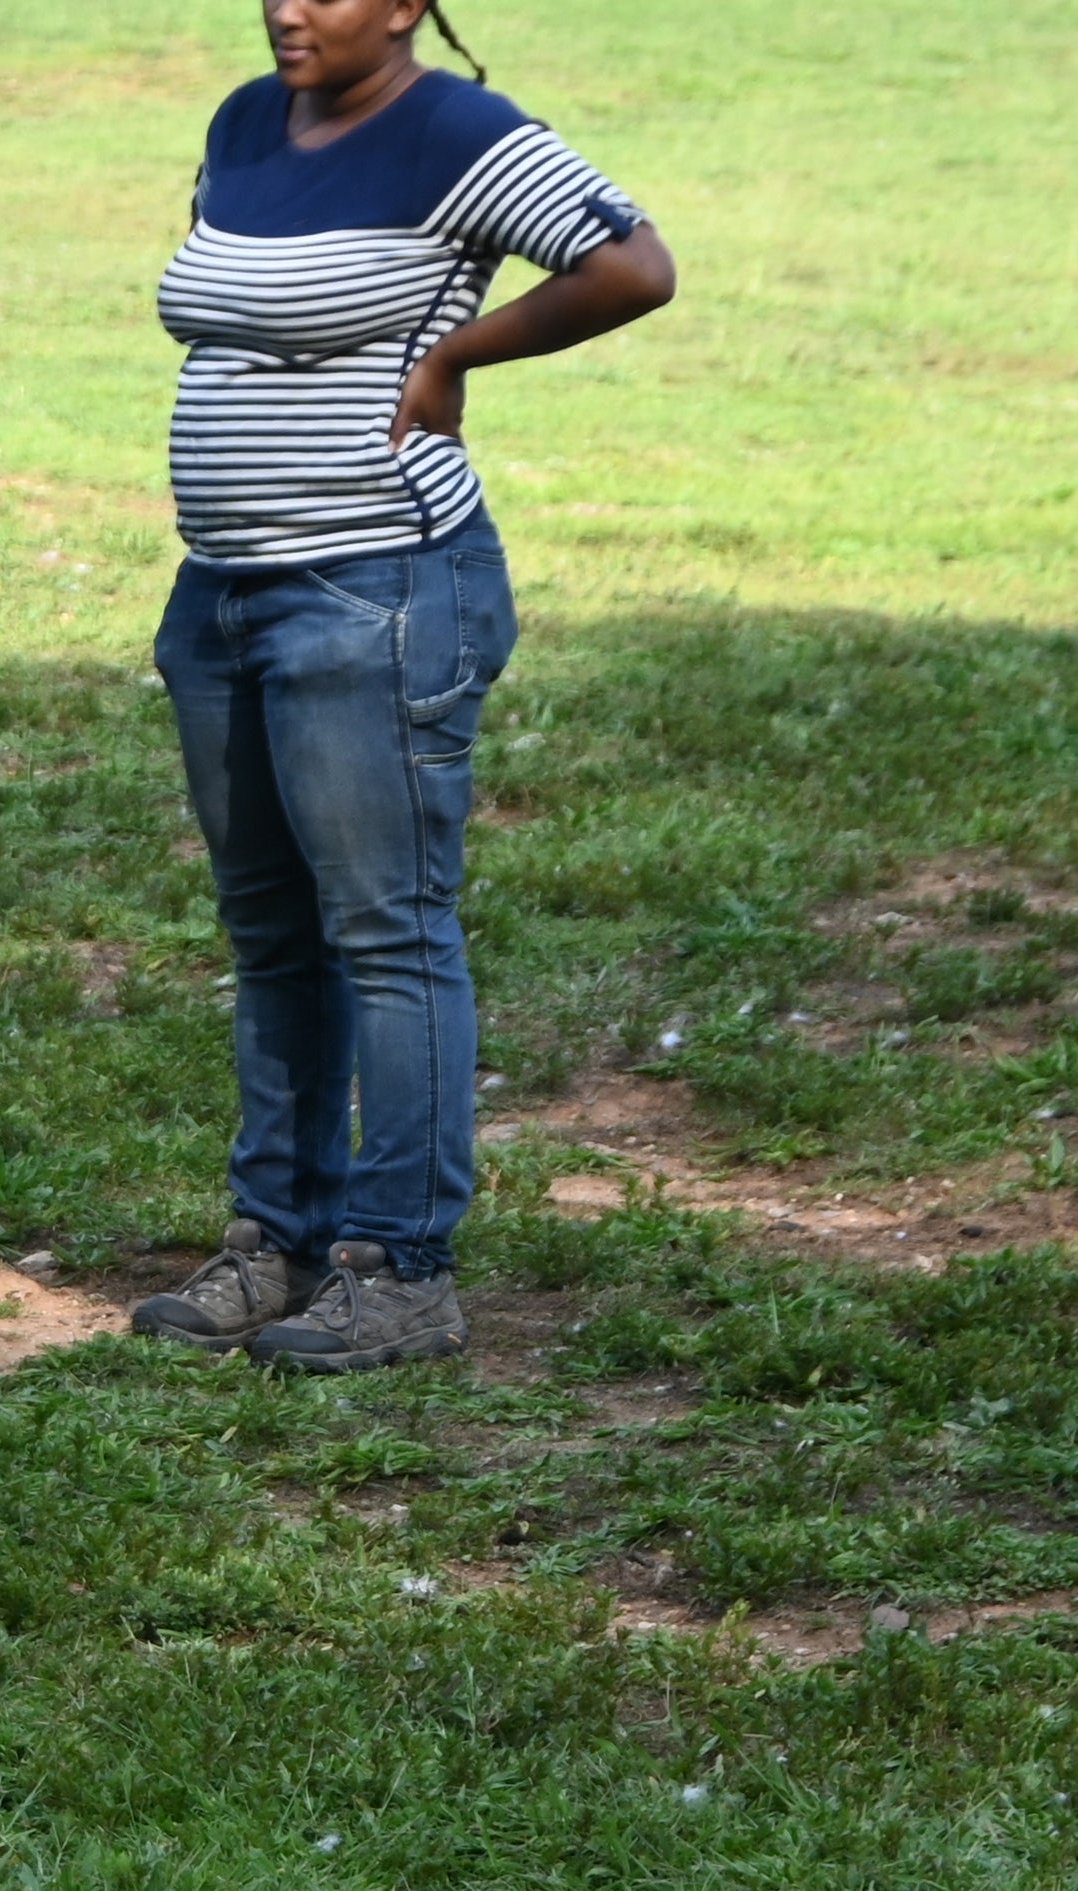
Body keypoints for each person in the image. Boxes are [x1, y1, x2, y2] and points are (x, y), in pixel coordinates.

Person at [126, 0, 670, 1375]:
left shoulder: (455, 133)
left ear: (407, 4)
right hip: (223, 588)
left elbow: (631, 265)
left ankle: (399, 1266)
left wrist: (451, 355)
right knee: (268, 931)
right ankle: (277, 1238)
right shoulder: (245, 120)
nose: (288, 5)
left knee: (382, 929)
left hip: (371, 587)